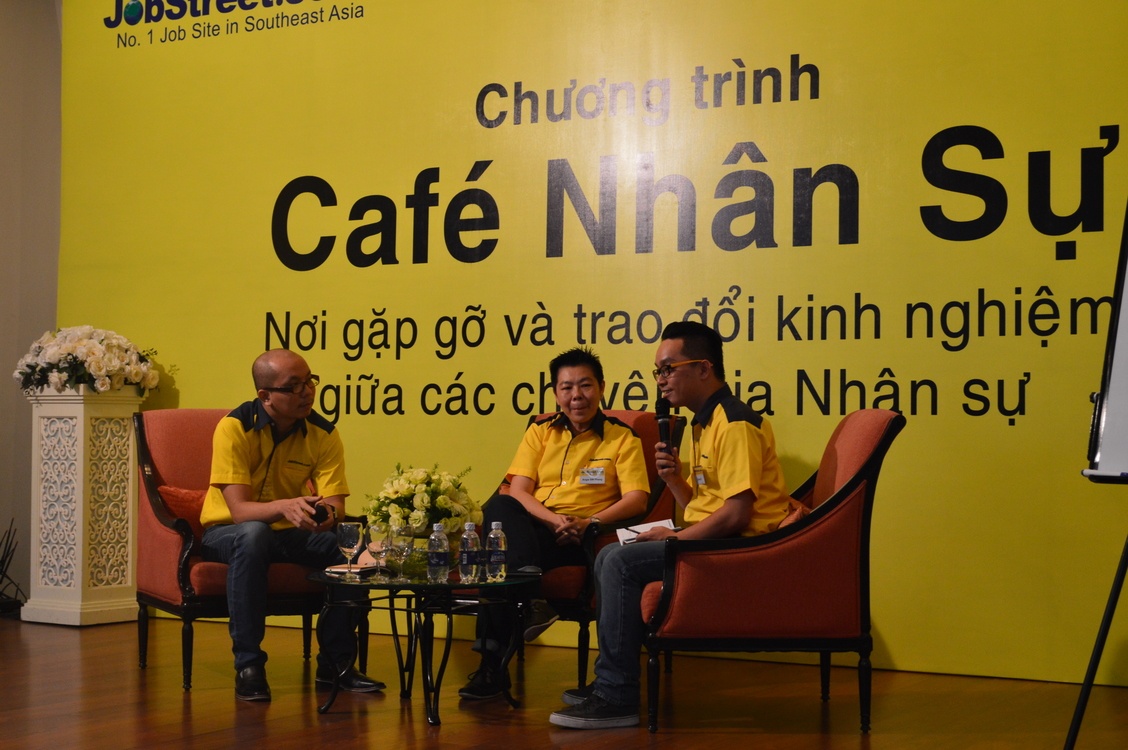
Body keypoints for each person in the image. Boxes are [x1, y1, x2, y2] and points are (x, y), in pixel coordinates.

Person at [548, 321, 790, 729]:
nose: (660, 380)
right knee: (610, 552)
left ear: (703, 368)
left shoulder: (734, 423)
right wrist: (675, 480)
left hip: (741, 548)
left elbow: (736, 514)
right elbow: (704, 506)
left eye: (668, 369)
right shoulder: (701, 423)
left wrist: (674, 538)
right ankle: (612, 682)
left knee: (618, 562)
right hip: (715, 538)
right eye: (657, 371)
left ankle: (617, 695)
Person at [459, 346, 650, 701]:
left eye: (585, 385)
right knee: (500, 506)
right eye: (567, 387)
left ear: (602, 387)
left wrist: (587, 521)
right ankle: (526, 604)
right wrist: (551, 520)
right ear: (556, 393)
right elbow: (519, 490)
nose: (577, 396)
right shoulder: (540, 432)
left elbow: (637, 499)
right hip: (537, 529)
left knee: (497, 560)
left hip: (584, 536)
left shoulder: (622, 437)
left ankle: (491, 667)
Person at [199, 349, 385, 702]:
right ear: (265, 395)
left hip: (289, 533)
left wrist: (323, 515)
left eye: (310, 381)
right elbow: (239, 511)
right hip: (226, 533)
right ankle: (249, 666)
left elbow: (336, 506)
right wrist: (286, 506)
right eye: (294, 386)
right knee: (254, 533)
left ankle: (336, 663)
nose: (307, 392)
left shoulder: (323, 433)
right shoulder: (234, 427)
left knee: (352, 546)